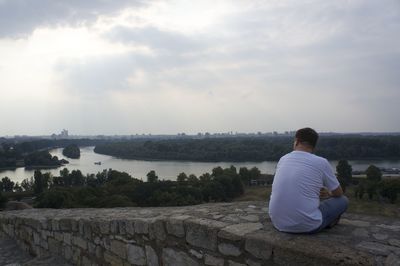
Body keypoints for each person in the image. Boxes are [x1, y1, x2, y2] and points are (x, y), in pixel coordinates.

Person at [268, 127, 348, 233]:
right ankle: (327, 222)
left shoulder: (283, 159)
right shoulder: (321, 162)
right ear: (313, 146)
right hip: (308, 226)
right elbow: (338, 193)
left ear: (297, 142)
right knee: (343, 200)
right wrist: (329, 194)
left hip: (278, 222)